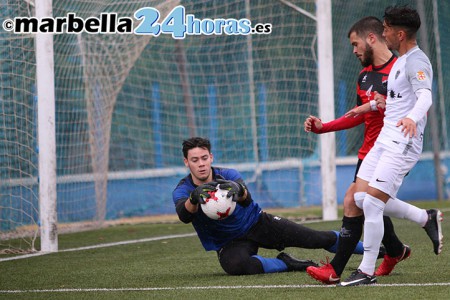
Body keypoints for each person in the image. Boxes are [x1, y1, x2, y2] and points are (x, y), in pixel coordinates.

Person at [304, 16, 442, 285]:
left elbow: (424, 95)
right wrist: (326, 126)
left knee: (367, 202)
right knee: (361, 202)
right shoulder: (368, 74)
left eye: (355, 44)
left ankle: (352, 270)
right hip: (374, 147)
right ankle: (404, 240)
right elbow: (372, 109)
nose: (354, 50)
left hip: (398, 145)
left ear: (376, 38)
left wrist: (412, 118)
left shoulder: (411, 61)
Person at [172, 136, 373, 276]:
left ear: (211, 157)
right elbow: (184, 215)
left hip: (258, 223)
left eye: (204, 158)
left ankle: (373, 250)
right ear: (186, 162)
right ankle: (286, 263)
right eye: (195, 160)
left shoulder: (229, 175)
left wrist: (238, 189)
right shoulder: (183, 189)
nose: (201, 164)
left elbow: (246, 199)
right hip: (229, 243)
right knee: (237, 266)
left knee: (317, 238)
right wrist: (193, 198)